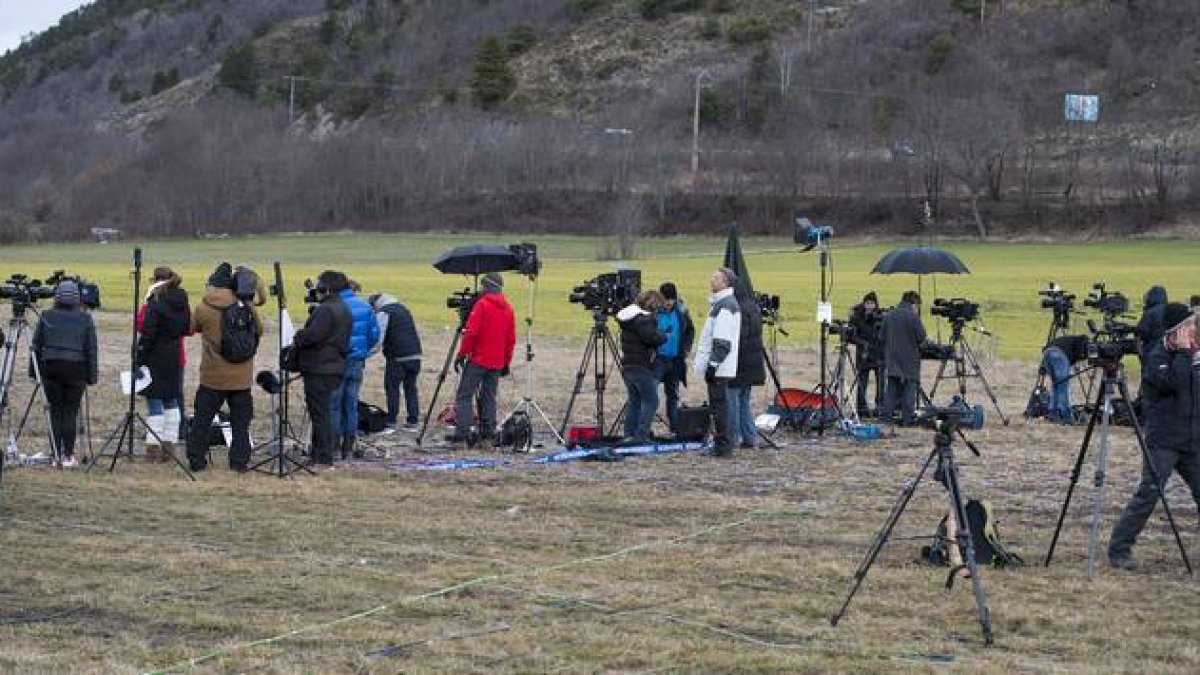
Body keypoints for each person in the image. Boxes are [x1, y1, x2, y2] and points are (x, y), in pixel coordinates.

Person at [1108, 304, 1199, 570]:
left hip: (1192, 439)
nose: (1194, 329)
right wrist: (1184, 353)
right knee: (1148, 493)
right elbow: (1174, 383)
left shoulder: (1193, 354)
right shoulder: (1157, 357)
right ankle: (1119, 549)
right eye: (1190, 325)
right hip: (1164, 441)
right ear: (1177, 330)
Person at [187, 262, 264, 473]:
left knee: (202, 421)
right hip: (241, 378)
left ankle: (197, 460)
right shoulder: (246, 307)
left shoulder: (204, 308)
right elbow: (259, 330)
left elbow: (190, 328)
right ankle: (239, 462)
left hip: (213, 377)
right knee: (240, 424)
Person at [31, 281, 98, 467]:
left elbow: (35, 346)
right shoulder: (85, 318)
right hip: (76, 369)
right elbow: (91, 349)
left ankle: (55, 454)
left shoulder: (46, 315)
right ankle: (68, 455)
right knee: (70, 412)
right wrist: (92, 376)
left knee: (55, 411)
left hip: (50, 367)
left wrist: (34, 372)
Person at [293, 271, 353, 469]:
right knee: (323, 412)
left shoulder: (327, 310)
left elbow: (313, 336)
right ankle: (321, 453)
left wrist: (299, 336)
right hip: (332, 366)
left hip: (320, 368)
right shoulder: (342, 307)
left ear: (326, 288)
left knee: (319, 414)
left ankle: (323, 456)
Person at [449, 273, 516, 450]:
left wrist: (462, 354)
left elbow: (471, 333)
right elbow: (511, 339)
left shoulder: (482, 305)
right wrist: (506, 361)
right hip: (496, 361)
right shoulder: (508, 309)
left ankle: (462, 435)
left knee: (464, 395)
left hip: (478, 359)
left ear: (486, 286)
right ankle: (488, 436)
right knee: (489, 397)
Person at [136, 267, 190, 461]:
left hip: (155, 356)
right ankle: (170, 447)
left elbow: (146, 329)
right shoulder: (182, 301)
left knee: (155, 400)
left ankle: (153, 447)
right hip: (175, 354)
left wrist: (139, 358)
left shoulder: (155, 300)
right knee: (172, 399)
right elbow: (186, 327)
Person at [693, 267, 741, 458]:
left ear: (726, 283)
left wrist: (713, 365)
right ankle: (721, 445)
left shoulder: (726, 306)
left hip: (720, 367)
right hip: (720, 366)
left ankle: (723, 447)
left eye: (716, 278)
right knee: (720, 407)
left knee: (720, 408)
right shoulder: (722, 304)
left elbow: (722, 341)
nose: (711, 280)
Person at [330, 279, 380, 459]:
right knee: (351, 405)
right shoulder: (365, 307)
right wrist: (362, 351)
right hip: (357, 361)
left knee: (334, 405)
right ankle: (348, 447)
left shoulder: (332, 306)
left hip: (336, 361)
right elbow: (374, 336)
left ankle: (334, 447)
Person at [617, 290, 667, 443]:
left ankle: (629, 434)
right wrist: (664, 336)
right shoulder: (643, 320)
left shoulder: (629, 319)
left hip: (628, 366)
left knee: (635, 400)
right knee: (651, 401)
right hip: (641, 366)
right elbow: (652, 338)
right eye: (658, 307)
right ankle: (641, 435)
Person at [370, 293, 422, 431]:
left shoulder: (384, 313)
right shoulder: (403, 309)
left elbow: (378, 339)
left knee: (392, 388)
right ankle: (413, 420)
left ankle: (391, 420)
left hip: (397, 357)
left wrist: (365, 355)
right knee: (411, 388)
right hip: (415, 355)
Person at [881, 291, 926, 428]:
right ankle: (907, 420)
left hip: (892, 357)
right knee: (909, 389)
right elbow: (921, 337)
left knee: (891, 389)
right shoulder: (913, 317)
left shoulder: (889, 315)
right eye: (917, 305)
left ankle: (887, 418)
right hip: (910, 359)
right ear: (913, 302)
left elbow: (882, 336)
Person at [728, 282, 764, 449]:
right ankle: (750, 437)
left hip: (739, 364)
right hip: (753, 364)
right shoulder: (753, 307)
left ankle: (733, 438)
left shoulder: (737, 309)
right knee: (744, 401)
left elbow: (739, 339)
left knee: (733, 401)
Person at [655, 282, 695, 434]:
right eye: (665, 300)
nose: (668, 303)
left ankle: (675, 427)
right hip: (657, 360)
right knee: (651, 394)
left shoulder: (682, 311)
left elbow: (690, 330)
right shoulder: (653, 312)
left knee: (673, 395)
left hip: (675, 360)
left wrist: (686, 349)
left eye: (671, 300)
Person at [849, 291, 885, 417]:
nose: (870, 306)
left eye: (872, 303)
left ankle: (880, 407)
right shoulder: (856, 318)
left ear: (876, 304)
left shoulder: (880, 317)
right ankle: (861, 408)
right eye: (867, 303)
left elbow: (884, 335)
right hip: (863, 354)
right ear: (864, 304)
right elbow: (851, 336)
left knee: (881, 383)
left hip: (878, 354)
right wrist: (863, 343)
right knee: (862, 382)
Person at [1040, 343, 1074, 425]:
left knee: (1056, 384)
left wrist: (1043, 365)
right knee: (1062, 386)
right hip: (1059, 354)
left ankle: (1053, 412)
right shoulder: (1082, 343)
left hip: (1047, 353)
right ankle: (1065, 415)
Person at [1135, 285, 1169, 364]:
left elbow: (1142, 332)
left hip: (1152, 350)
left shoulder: (1150, 313)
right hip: (1168, 350)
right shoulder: (1170, 310)